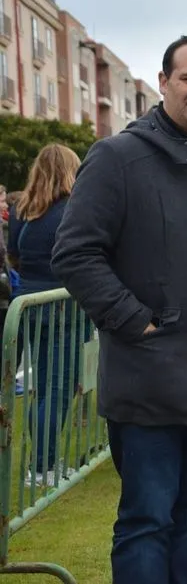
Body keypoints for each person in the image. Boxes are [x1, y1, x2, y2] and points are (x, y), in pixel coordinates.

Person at [51, 34, 187, 584]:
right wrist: (135, 320)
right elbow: (75, 253)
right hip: (148, 377)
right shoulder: (118, 157)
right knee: (147, 520)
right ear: (164, 83)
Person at [7, 144, 85, 485]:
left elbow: (13, 257)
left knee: (42, 389)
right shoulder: (72, 210)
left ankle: (39, 466)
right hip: (62, 308)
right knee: (59, 389)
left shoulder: (24, 210)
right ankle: (43, 467)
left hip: (28, 305)